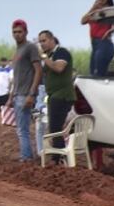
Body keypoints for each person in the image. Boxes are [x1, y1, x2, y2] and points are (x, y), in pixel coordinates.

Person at [5, 19, 42, 162]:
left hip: (26, 94)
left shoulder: (30, 47)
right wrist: (10, 97)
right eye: (14, 32)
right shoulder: (18, 50)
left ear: (26, 32)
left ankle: (26, 158)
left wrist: (32, 94)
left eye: (20, 32)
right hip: (18, 94)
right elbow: (16, 77)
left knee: (22, 130)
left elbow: (38, 71)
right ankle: (26, 155)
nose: (17, 34)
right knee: (21, 128)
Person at [38, 30, 76, 162]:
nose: (42, 44)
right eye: (40, 42)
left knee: (55, 129)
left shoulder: (61, 52)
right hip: (54, 96)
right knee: (55, 128)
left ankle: (58, 158)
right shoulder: (50, 55)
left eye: (44, 40)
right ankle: (59, 157)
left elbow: (58, 68)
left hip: (62, 96)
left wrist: (43, 57)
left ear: (51, 39)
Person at [80, 0, 114, 76]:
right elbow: (83, 21)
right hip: (95, 45)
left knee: (98, 74)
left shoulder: (111, 10)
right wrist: (93, 8)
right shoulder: (94, 10)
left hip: (104, 43)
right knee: (93, 73)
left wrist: (110, 31)